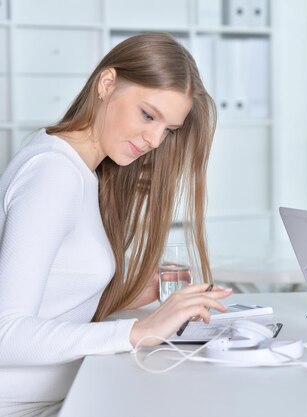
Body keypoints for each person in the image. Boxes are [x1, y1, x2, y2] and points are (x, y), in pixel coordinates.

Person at [0, 33, 232, 415]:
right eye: (148, 115)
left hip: (64, 395)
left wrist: (132, 293)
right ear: (106, 84)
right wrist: (139, 331)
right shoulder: (53, 175)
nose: (156, 139)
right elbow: (7, 336)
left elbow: (53, 300)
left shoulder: (78, 170)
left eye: (168, 129)